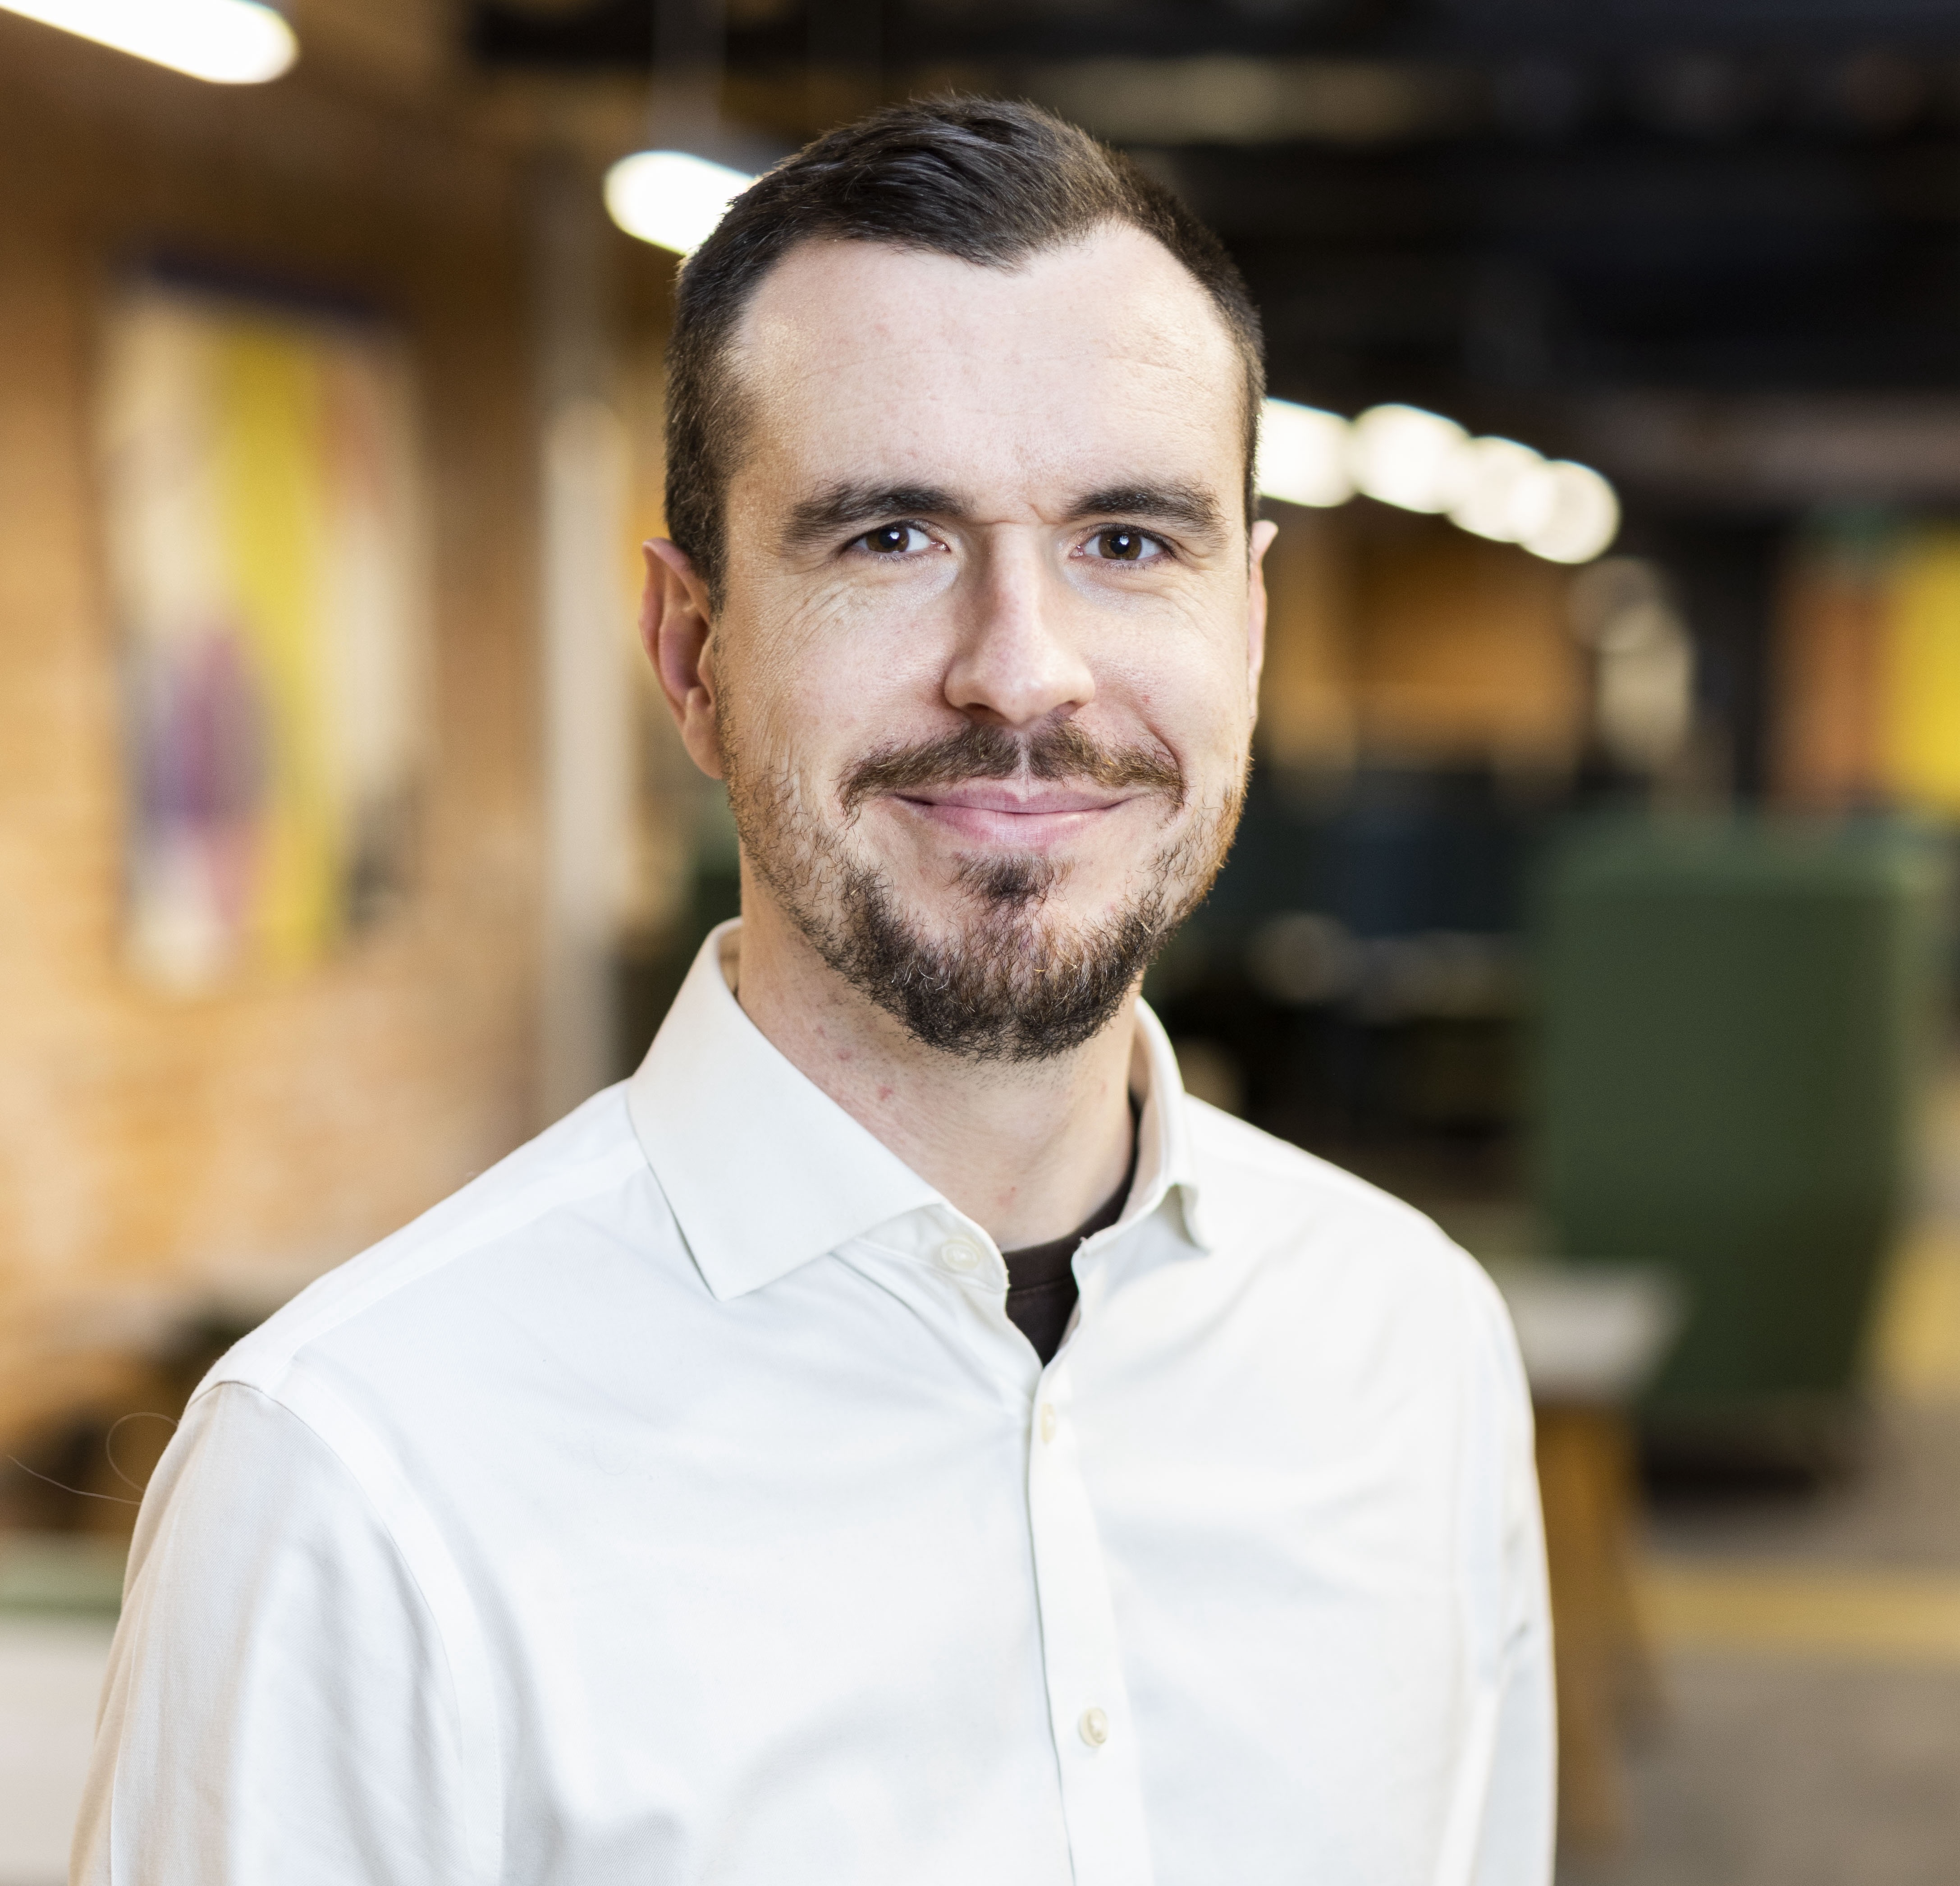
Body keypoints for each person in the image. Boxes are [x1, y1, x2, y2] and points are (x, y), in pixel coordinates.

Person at [74, 98, 1552, 1886]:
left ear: (1246, 624)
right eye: (890, 538)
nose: (1022, 671)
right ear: (692, 653)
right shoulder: (359, 1475)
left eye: (1126, 540)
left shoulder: (1414, 1348)